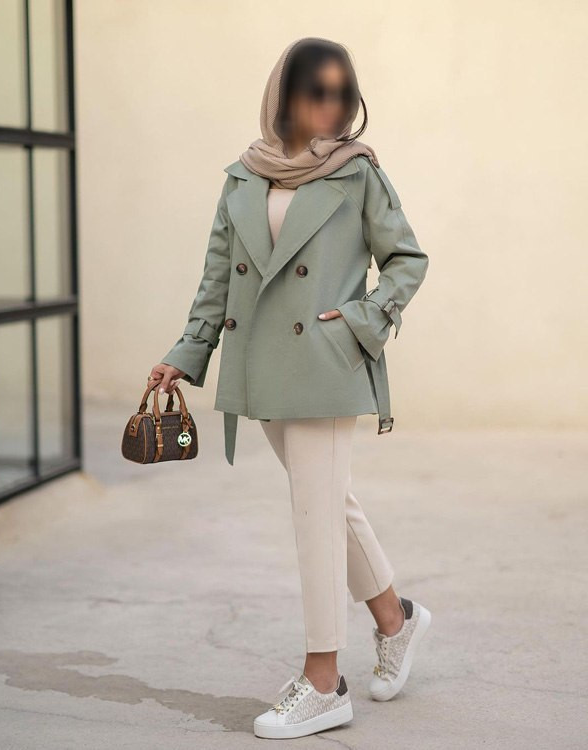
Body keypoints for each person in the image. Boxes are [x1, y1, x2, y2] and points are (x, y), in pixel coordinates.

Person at [149, 37, 431, 740]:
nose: (332, 105)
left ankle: (324, 681)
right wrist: (187, 353)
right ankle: (395, 619)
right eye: (317, 91)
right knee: (328, 503)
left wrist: (363, 319)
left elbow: (406, 259)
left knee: (314, 517)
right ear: (285, 96)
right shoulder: (245, 175)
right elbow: (217, 277)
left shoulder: (358, 173)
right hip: (261, 367)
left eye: (343, 92)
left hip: (326, 364)